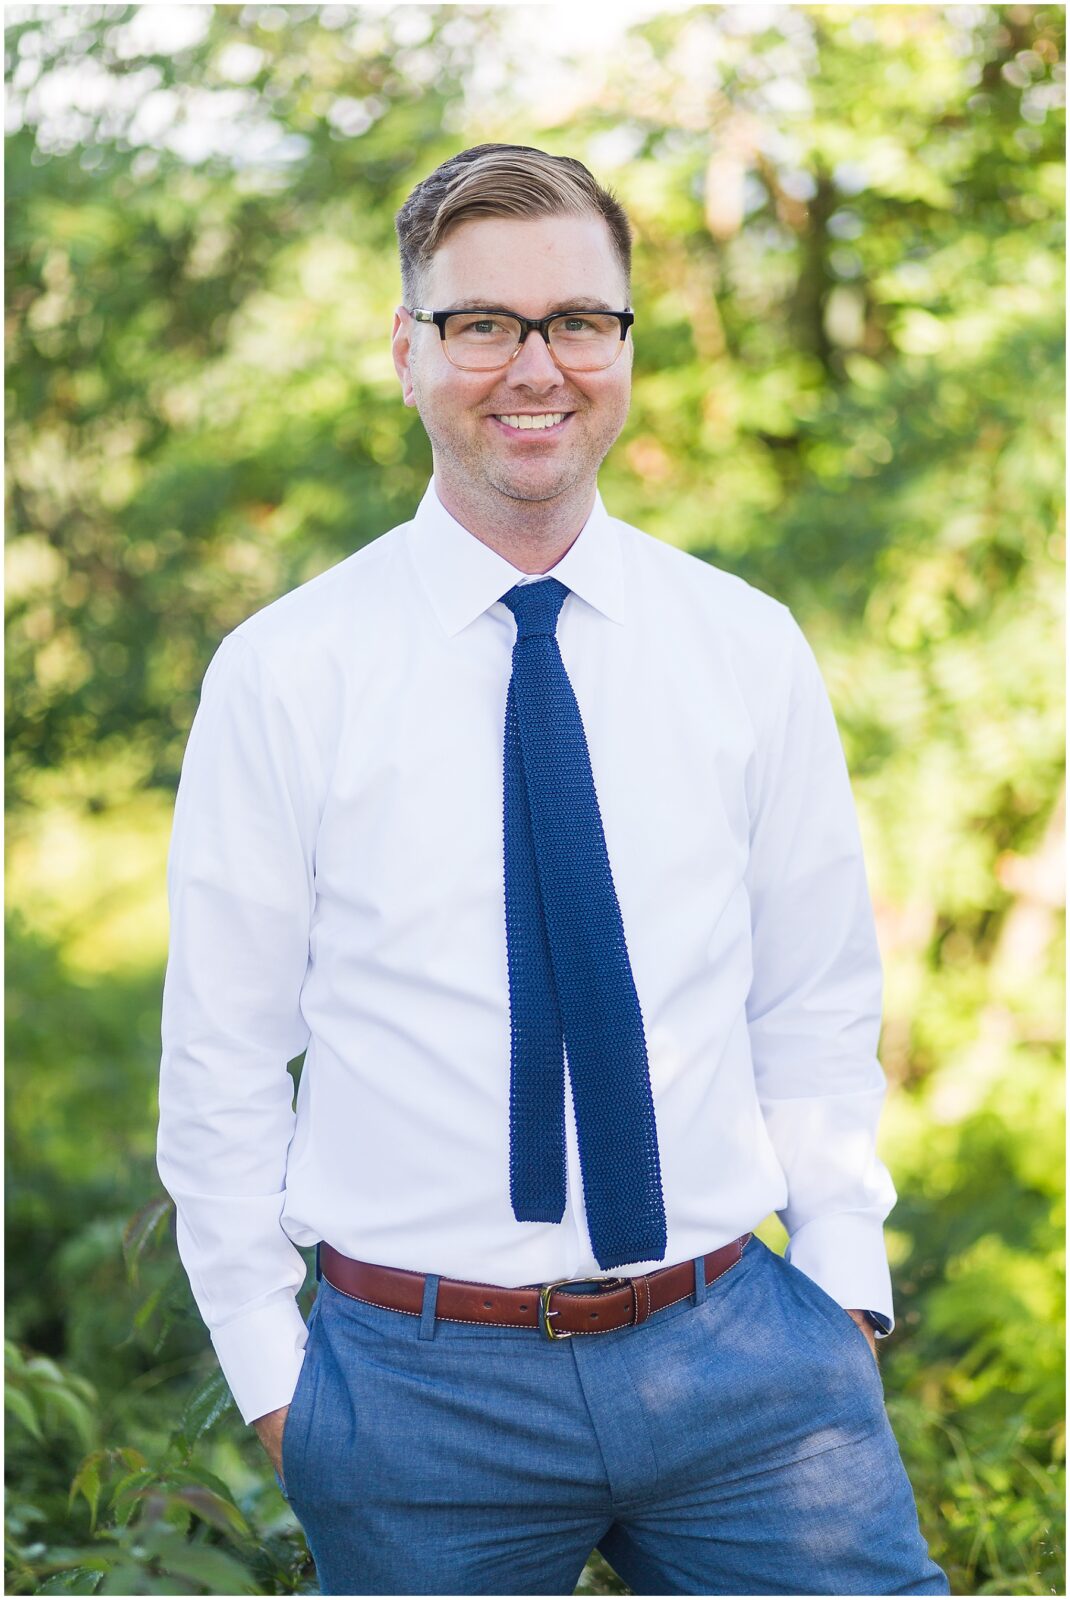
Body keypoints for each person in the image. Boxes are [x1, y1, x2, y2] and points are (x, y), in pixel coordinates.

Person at [156, 143, 949, 1597]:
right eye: (482, 324)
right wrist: (280, 1382)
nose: (537, 366)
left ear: (624, 344)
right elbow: (220, 1061)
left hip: (745, 1369)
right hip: (413, 1395)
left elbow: (817, 995)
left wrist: (841, 1285)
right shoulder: (284, 674)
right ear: (406, 354)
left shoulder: (743, 645)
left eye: (579, 319)